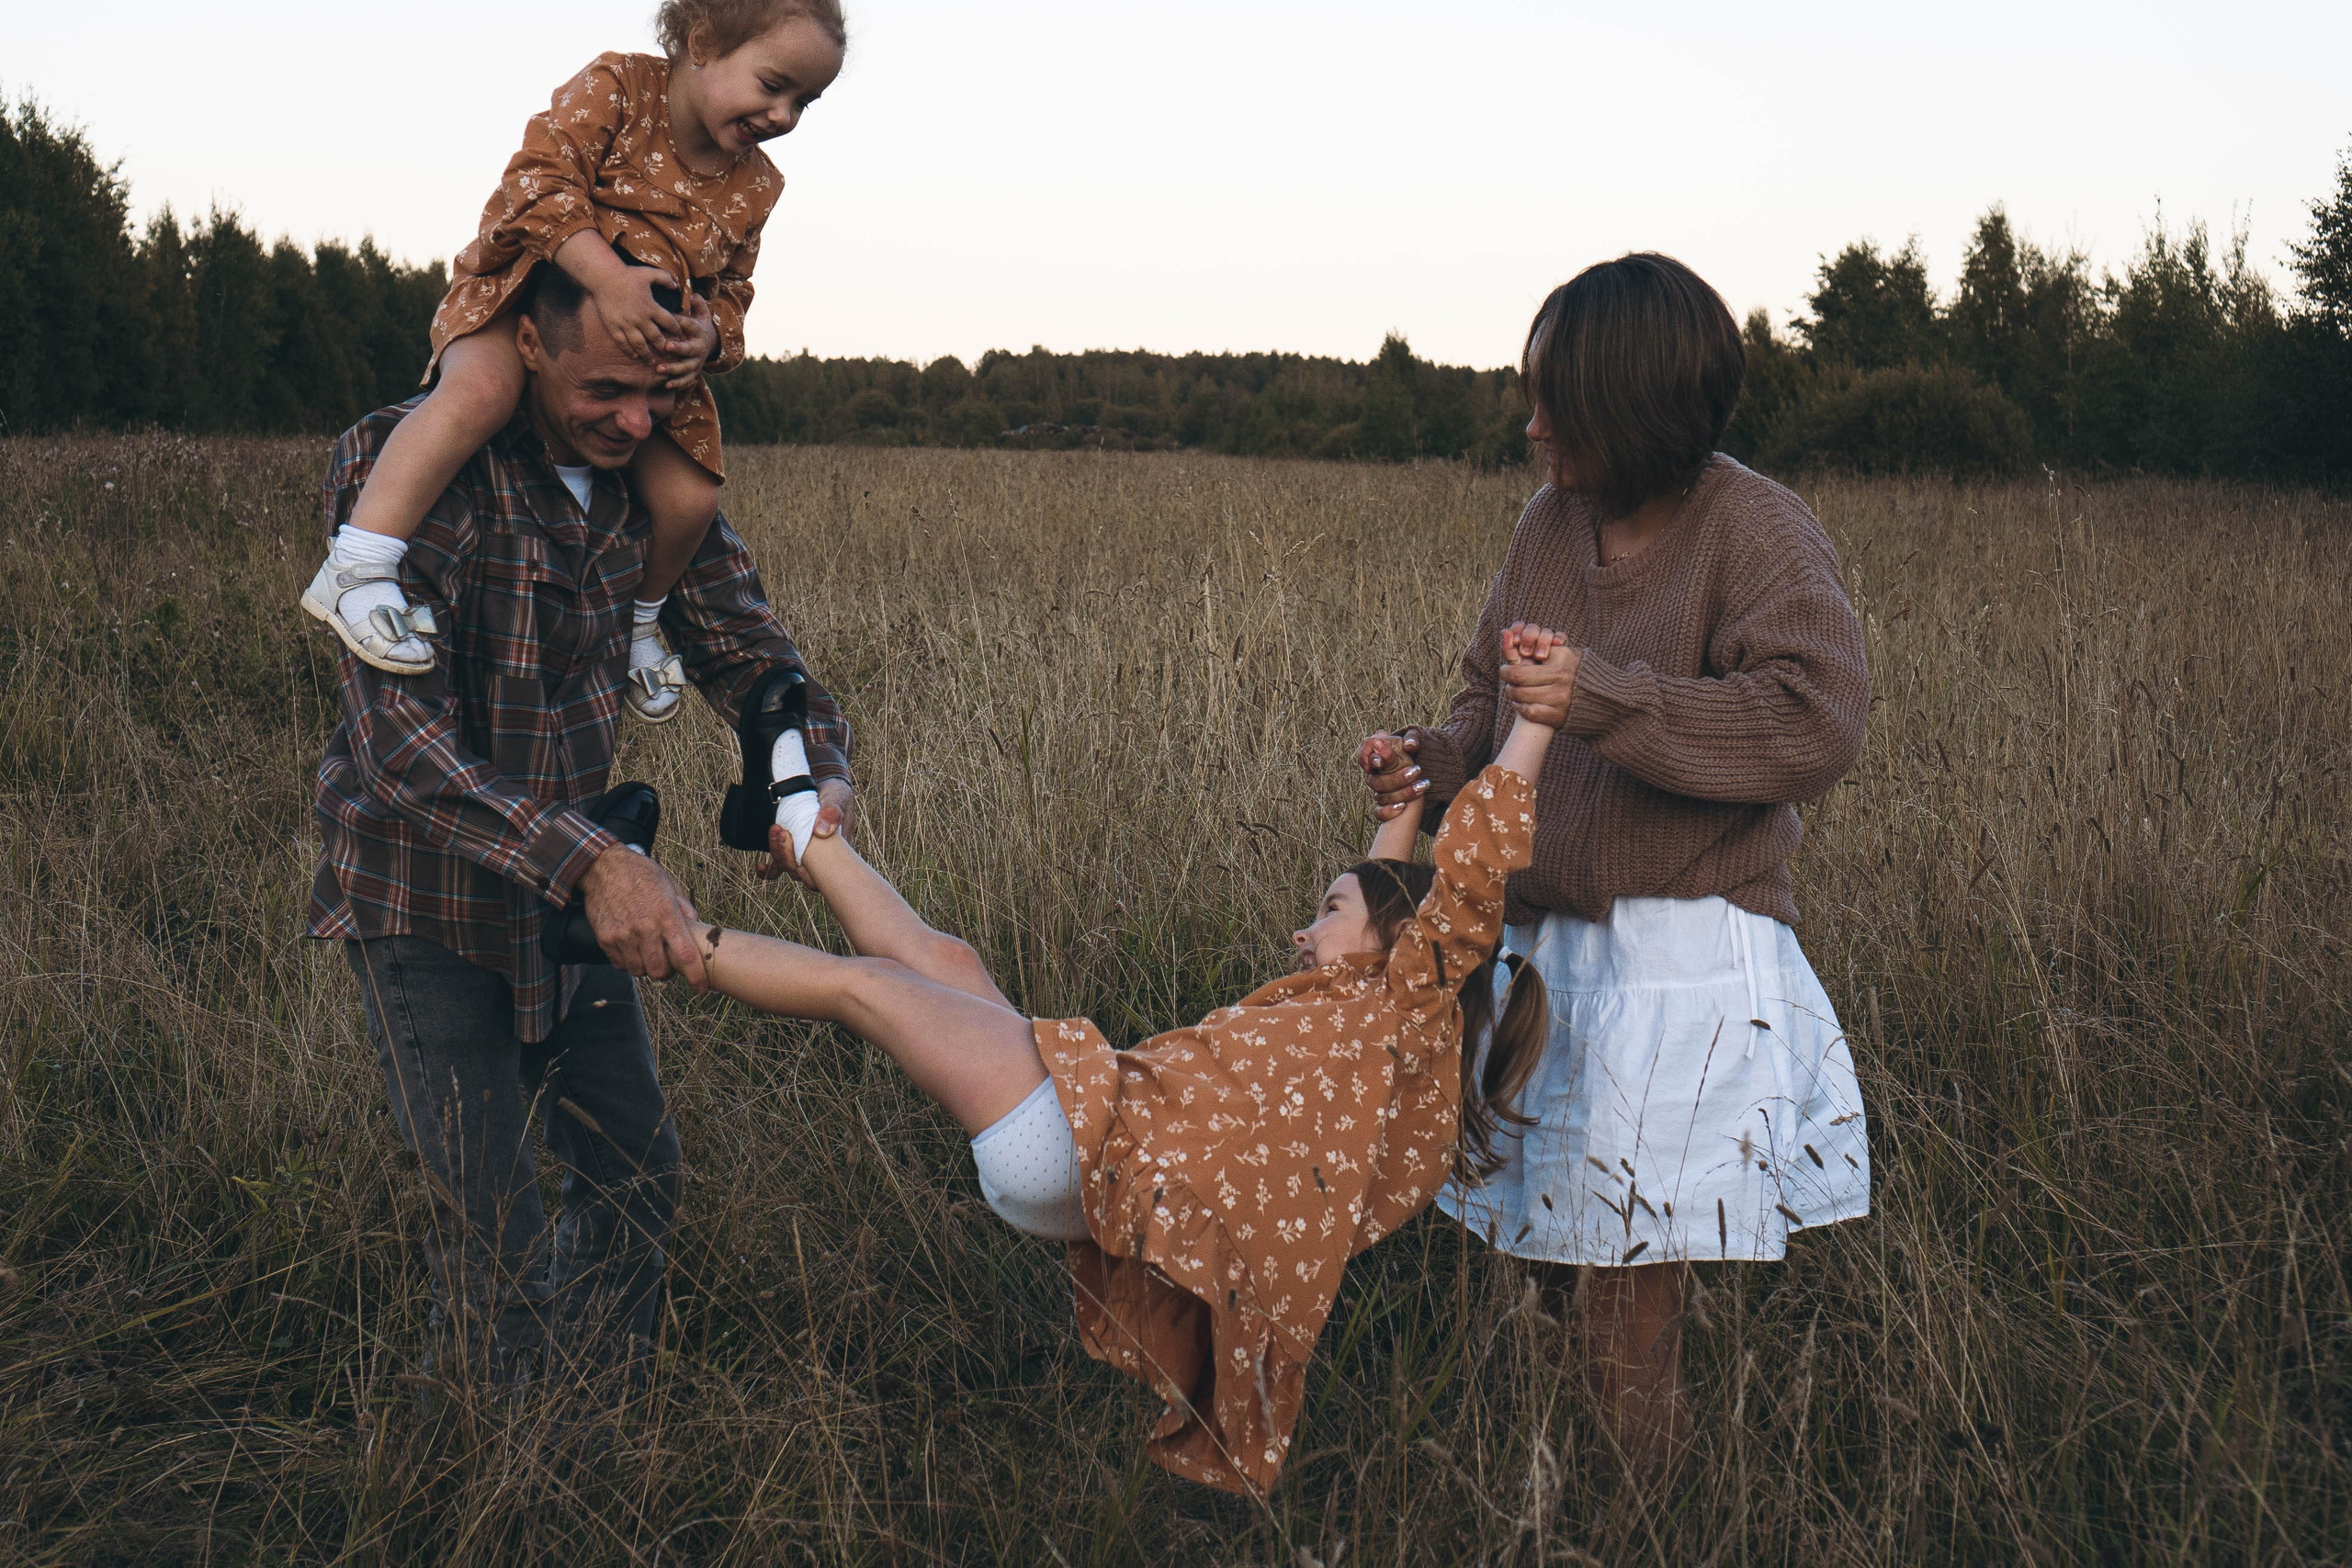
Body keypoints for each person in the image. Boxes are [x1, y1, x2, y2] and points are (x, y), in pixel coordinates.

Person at [664, 629, 1576, 1494]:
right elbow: (1381, 896)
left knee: (870, 989)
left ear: (1398, 943)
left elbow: (1465, 881)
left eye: (1327, 912)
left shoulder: (1404, 1011)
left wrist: (1532, 721)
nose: (1304, 929)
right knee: (943, 964)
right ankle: (793, 819)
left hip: (1084, 1144)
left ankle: (657, 930)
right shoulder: (1358, 1025)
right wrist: (1402, 802)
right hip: (1087, 1159)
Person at [1356, 253, 1872, 1474]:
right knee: (1526, 1272)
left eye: (1557, 402)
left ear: (1631, 407)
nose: (1531, 424)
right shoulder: (1552, 521)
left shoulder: (1753, 525)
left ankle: (1657, 1521)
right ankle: (1546, 1500)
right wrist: (1426, 765)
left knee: (1626, 1311)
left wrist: (1609, 700)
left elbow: (1815, 719)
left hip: (1682, 959)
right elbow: (1490, 702)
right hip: (1544, 954)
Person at [308, 260, 854, 1394]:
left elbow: (756, 656)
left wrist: (801, 770)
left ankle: (596, 1427)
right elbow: (397, 744)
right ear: (528, 343)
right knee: (492, 1234)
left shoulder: (648, 483)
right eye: (606, 389)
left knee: (631, 1176)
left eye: (657, 395)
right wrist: (598, 862)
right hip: (426, 900)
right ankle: (479, 1476)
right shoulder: (411, 463)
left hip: (573, 902)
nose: (635, 420)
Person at [300, 0, 846, 724]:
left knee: (691, 499)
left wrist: (710, 335)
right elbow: (537, 183)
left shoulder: (758, 185)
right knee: (482, 393)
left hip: (651, 349)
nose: (783, 115)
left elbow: (734, 288)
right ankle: (360, 564)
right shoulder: (620, 88)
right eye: (774, 84)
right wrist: (605, 279)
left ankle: (638, 624)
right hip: (530, 292)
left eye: (804, 102)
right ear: (705, 41)